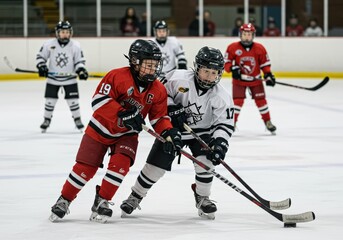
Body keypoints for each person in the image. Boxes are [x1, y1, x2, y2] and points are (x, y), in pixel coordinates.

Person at [49, 39, 182, 223]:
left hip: (127, 135)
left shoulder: (158, 90)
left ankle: (102, 201)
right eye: (148, 65)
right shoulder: (117, 76)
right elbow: (98, 101)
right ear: (135, 62)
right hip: (100, 128)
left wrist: (168, 132)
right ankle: (64, 199)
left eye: (155, 65)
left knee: (120, 166)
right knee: (85, 168)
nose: (152, 69)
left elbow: (159, 118)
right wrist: (122, 113)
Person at [120, 46, 235, 220]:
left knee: (206, 163)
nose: (210, 77)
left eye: (214, 73)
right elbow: (159, 92)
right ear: (197, 68)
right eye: (206, 71)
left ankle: (203, 197)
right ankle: (135, 196)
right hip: (172, 130)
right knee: (155, 167)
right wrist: (172, 107)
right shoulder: (177, 78)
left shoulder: (222, 96)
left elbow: (224, 124)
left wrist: (220, 143)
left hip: (203, 133)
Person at [224, 23, 277, 134]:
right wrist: (233, 69)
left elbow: (265, 64)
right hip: (239, 81)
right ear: (240, 34)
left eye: (249, 34)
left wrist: (268, 74)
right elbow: (226, 63)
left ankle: (268, 122)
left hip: (256, 81)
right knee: (237, 102)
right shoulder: (233, 47)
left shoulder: (260, 48)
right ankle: (232, 123)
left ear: (253, 35)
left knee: (261, 102)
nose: (247, 36)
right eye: (245, 34)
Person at [36, 21, 88, 133]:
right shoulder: (49, 44)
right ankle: (46, 120)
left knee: (73, 101)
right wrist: (42, 67)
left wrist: (81, 70)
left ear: (70, 33)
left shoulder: (75, 45)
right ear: (57, 33)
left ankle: (77, 120)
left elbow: (79, 61)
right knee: (50, 101)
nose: (65, 34)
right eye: (62, 32)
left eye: (67, 32)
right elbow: (40, 57)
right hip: (53, 79)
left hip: (70, 80)